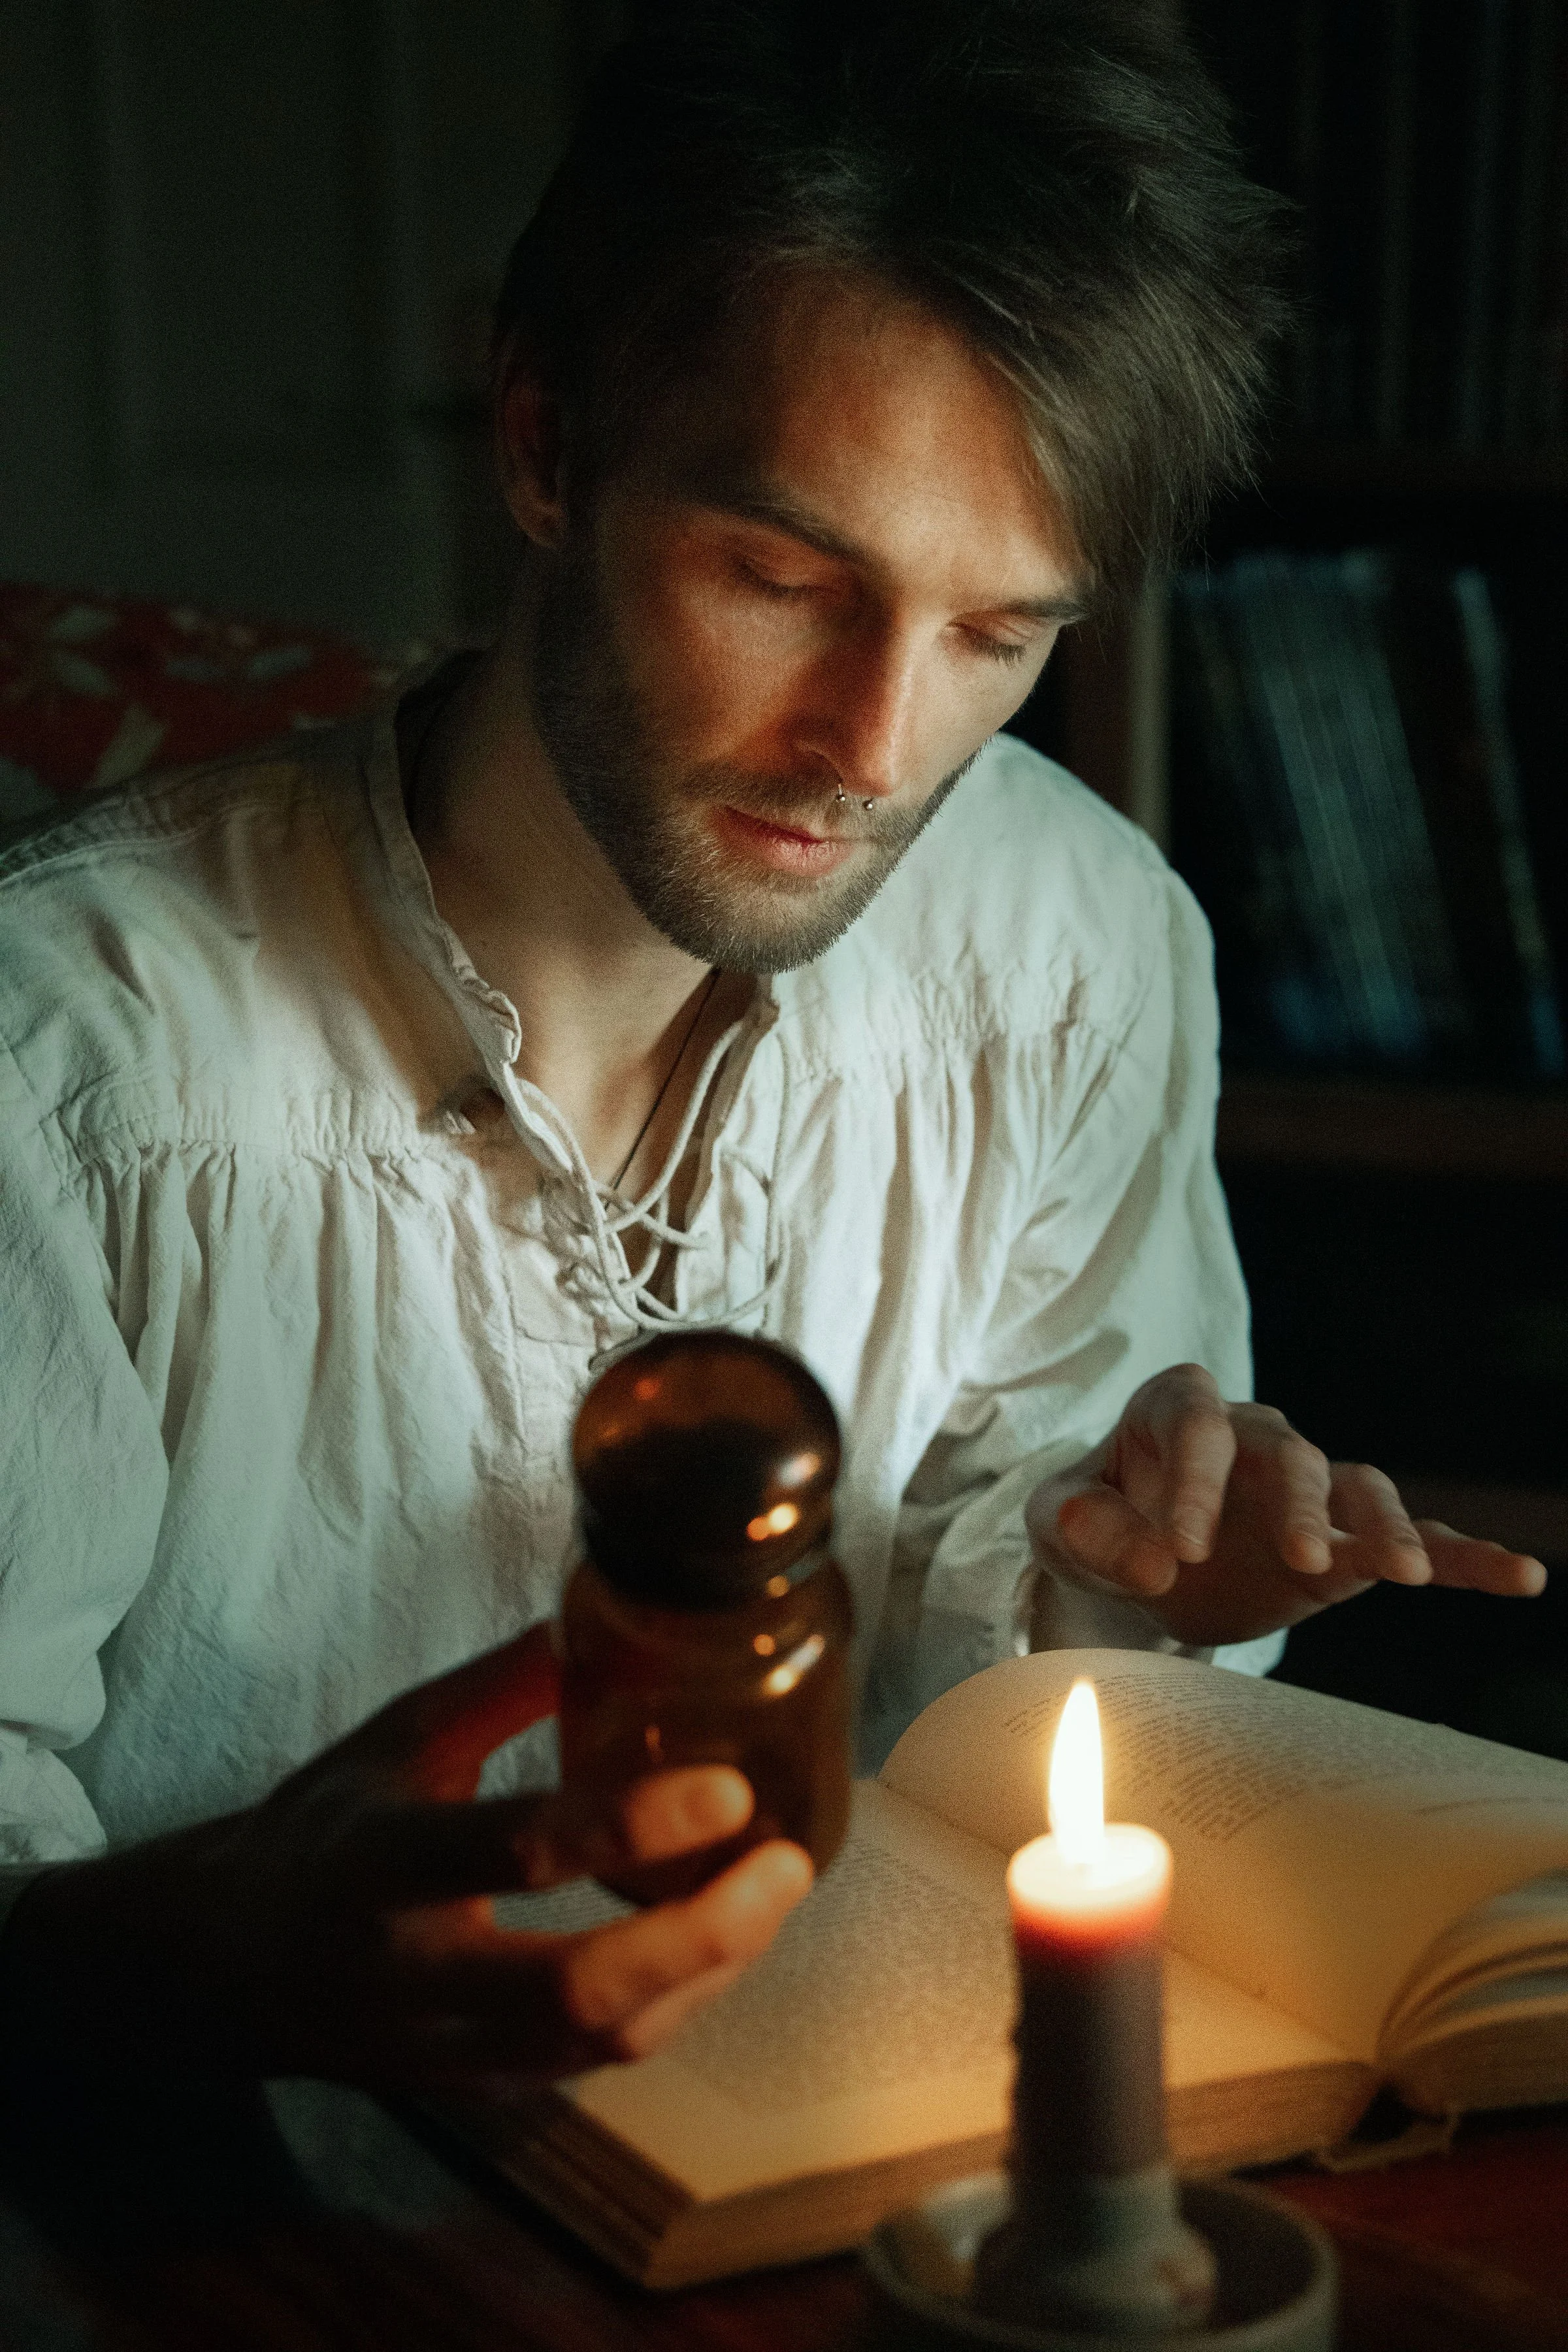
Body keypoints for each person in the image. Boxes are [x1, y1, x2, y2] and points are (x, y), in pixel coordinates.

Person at [0, 0, 1543, 2098]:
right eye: (781, 576)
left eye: (1001, 633)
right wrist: (213, 1954)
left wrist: (1119, 1581)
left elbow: (1021, 1665)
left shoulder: (1078, 941)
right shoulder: (64, 1061)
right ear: (546, 446)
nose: (872, 750)